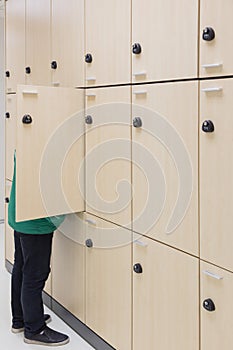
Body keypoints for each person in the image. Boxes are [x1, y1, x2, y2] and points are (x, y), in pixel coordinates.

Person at [8, 152, 69, 346]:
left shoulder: (27, 136)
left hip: (21, 213)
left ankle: (20, 319)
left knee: (21, 268)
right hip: (35, 220)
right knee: (35, 273)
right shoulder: (41, 141)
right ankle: (34, 329)